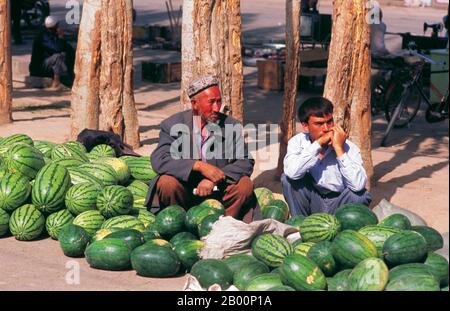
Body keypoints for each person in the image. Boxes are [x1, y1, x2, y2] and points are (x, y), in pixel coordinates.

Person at [145, 75, 257, 222]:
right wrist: (198, 166)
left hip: (218, 192)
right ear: (194, 104)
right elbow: (160, 159)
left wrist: (215, 178)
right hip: (185, 192)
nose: (217, 108)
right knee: (166, 182)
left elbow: (245, 161)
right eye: (211, 102)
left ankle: (224, 225)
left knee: (244, 185)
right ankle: (180, 224)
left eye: (219, 101)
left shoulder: (230, 126)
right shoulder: (173, 125)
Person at [281, 97, 372, 216]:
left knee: (361, 196)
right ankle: (299, 224)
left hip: (339, 202)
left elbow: (358, 185)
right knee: (288, 180)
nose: (326, 128)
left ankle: (342, 229)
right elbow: (292, 172)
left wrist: (339, 149)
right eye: (319, 124)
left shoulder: (349, 147)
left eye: (329, 122)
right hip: (313, 199)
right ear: (305, 126)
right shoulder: (297, 142)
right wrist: (318, 145)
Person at [29, 16, 75, 90]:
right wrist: (60, 37)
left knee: (67, 53)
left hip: (47, 64)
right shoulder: (43, 36)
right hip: (39, 67)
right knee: (58, 57)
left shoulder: (51, 33)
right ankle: (58, 82)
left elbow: (67, 48)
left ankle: (71, 78)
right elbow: (57, 48)